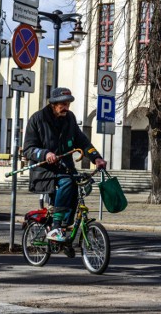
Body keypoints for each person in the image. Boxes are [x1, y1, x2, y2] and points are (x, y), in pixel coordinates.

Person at [23, 87, 107, 242]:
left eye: (68, 104)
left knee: (77, 185)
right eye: (63, 104)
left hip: (66, 168)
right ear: (53, 104)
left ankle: (64, 229)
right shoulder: (37, 119)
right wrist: (45, 154)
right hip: (45, 171)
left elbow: (82, 141)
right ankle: (56, 227)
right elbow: (28, 149)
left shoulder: (69, 118)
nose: (67, 108)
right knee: (67, 182)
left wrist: (96, 158)